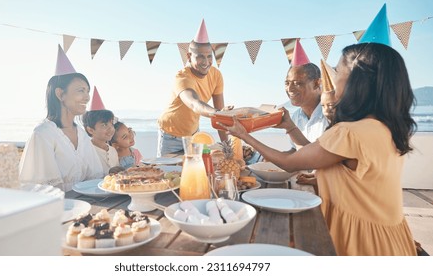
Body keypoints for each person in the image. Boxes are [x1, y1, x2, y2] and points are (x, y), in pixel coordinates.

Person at [218, 42, 417, 255]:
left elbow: (289, 162)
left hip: (359, 240)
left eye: (338, 71)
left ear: (357, 82)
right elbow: (316, 153)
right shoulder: (386, 128)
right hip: (391, 237)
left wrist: (244, 134)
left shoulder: (349, 133)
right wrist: (291, 128)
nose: (333, 80)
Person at [19, 45, 103, 192]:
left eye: (87, 91)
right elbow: (40, 189)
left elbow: (95, 178)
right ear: (60, 94)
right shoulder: (43, 134)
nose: (87, 97)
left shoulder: (82, 134)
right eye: (80, 90)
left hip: (88, 204)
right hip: (56, 208)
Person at [157, 19, 228, 157]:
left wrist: (226, 147)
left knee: (197, 172)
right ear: (189, 56)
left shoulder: (216, 75)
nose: (206, 62)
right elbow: (195, 104)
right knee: (170, 174)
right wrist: (218, 113)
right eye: (200, 57)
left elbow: (220, 117)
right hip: (169, 135)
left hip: (194, 134)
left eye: (209, 56)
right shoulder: (182, 77)